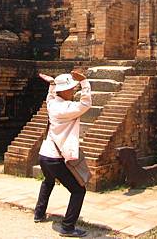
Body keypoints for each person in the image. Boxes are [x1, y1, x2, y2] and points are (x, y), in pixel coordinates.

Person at [34, 70, 91, 238]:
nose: (73, 91)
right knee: (78, 190)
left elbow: (50, 97)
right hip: (55, 159)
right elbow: (85, 104)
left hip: (44, 155)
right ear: (64, 91)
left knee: (48, 181)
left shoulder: (53, 104)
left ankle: (39, 213)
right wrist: (85, 82)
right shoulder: (66, 108)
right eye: (71, 89)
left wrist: (52, 84)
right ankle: (67, 227)